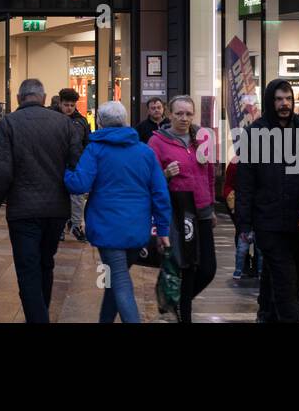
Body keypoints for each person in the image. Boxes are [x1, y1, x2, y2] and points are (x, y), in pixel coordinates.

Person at [0, 78, 83, 324]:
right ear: (44, 98)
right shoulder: (65, 124)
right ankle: (40, 314)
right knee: (46, 264)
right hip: (57, 209)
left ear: (18, 98)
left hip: (23, 210)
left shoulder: (9, 124)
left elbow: (1, 173)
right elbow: (76, 164)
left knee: (28, 270)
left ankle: (38, 318)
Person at [63, 100, 170, 323]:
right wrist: (162, 229)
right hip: (137, 229)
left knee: (119, 282)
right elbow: (160, 193)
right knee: (113, 280)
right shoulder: (144, 151)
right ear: (125, 121)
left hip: (107, 228)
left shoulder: (96, 150)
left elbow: (79, 185)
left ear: (100, 123)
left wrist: (64, 172)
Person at [235, 77, 299, 323]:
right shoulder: (255, 134)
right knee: (285, 278)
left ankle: (266, 315)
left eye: (288, 98)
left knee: (291, 274)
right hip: (268, 219)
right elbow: (244, 183)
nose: (284, 104)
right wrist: (244, 225)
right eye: (278, 99)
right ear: (270, 101)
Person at [149, 95, 218, 322]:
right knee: (188, 268)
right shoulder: (157, 142)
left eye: (189, 114)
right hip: (179, 212)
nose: (184, 118)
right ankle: (184, 314)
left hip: (203, 210)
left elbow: (209, 175)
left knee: (208, 269)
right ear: (169, 114)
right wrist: (166, 174)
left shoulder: (201, 139)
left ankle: (176, 300)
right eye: (179, 113)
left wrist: (211, 205)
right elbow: (149, 179)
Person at [58, 89, 90, 242]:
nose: (69, 108)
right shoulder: (53, 119)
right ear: (60, 104)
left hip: (76, 165)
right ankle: (60, 227)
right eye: (66, 105)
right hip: (56, 164)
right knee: (59, 198)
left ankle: (76, 226)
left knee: (77, 198)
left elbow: (87, 143)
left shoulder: (81, 121)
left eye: (72, 105)